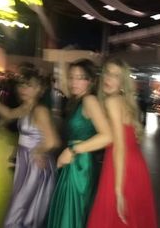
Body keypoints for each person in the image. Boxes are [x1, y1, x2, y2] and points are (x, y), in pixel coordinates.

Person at [0, 69, 60, 228]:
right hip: (25, 160)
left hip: (35, 164)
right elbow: (8, 113)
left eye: (29, 86)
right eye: (21, 85)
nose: (23, 90)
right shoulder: (26, 107)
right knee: (22, 207)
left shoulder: (39, 110)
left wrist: (38, 151)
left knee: (22, 209)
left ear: (39, 89)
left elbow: (53, 141)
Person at [87, 58, 157, 228]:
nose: (109, 78)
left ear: (123, 82)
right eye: (107, 73)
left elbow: (119, 147)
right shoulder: (124, 102)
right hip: (135, 165)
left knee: (112, 218)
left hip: (120, 167)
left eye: (116, 76)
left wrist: (118, 191)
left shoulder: (112, 102)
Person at [47, 59, 111, 228]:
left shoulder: (90, 100)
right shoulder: (77, 101)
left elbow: (107, 136)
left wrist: (72, 150)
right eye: (71, 77)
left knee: (72, 213)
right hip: (76, 163)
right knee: (68, 212)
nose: (74, 82)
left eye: (80, 77)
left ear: (91, 80)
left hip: (81, 165)